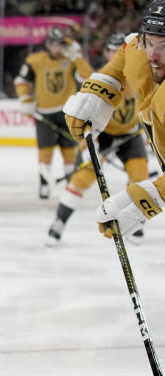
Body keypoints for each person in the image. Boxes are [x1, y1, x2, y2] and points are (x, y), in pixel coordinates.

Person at [63, 0, 165, 239]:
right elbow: (128, 49)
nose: (154, 56)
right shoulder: (140, 52)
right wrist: (98, 92)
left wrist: (152, 197)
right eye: (149, 43)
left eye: (163, 46)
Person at [46, 33, 151, 246]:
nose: (116, 54)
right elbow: (86, 79)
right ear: (107, 54)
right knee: (83, 177)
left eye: (119, 50)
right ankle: (60, 221)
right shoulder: (105, 74)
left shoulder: (142, 71)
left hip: (129, 133)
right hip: (100, 134)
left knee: (139, 174)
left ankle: (133, 221)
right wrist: (76, 57)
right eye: (112, 50)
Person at [14, 26, 92, 199]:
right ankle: (44, 184)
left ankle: (71, 184)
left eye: (61, 44)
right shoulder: (35, 60)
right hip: (44, 114)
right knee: (45, 152)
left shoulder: (70, 60)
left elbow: (88, 76)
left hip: (67, 113)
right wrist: (25, 99)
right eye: (55, 44)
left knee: (70, 152)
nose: (58, 47)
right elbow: (21, 80)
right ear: (48, 44)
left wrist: (77, 56)